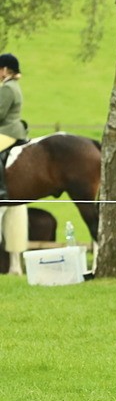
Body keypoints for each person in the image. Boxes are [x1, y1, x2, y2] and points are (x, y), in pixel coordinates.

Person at [0, 53, 28, 272]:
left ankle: (1, 190)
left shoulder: (8, 88)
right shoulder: (11, 86)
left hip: (8, 131)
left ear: (4, 70)